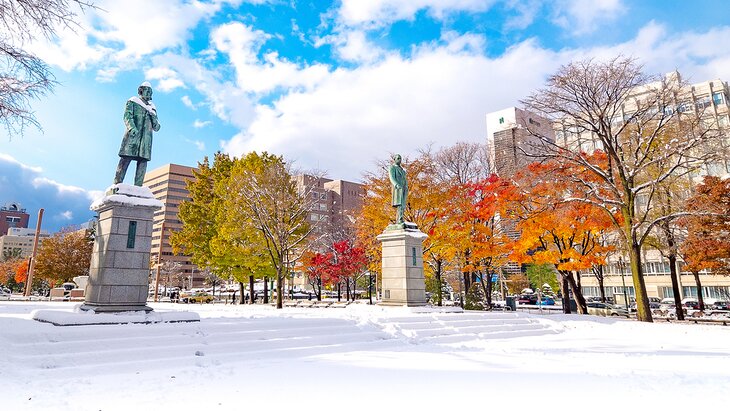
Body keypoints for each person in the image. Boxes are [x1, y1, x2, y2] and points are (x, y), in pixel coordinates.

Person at [113, 81, 161, 186]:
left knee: (143, 162)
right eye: (147, 91)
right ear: (141, 91)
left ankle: (138, 187)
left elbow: (157, 127)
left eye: (150, 92)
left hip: (145, 141)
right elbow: (127, 116)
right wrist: (132, 128)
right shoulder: (133, 102)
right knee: (125, 159)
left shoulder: (152, 108)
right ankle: (117, 184)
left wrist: (153, 116)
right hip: (133, 137)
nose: (149, 93)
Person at [388, 153, 408, 224]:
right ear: (394, 159)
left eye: (400, 158)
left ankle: (401, 218)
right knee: (399, 204)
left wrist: (406, 186)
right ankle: (399, 219)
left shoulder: (402, 170)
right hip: (398, 188)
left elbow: (405, 179)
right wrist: (396, 184)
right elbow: (392, 177)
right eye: (398, 158)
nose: (400, 160)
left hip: (404, 188)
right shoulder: (392, 167)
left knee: (403, 204)